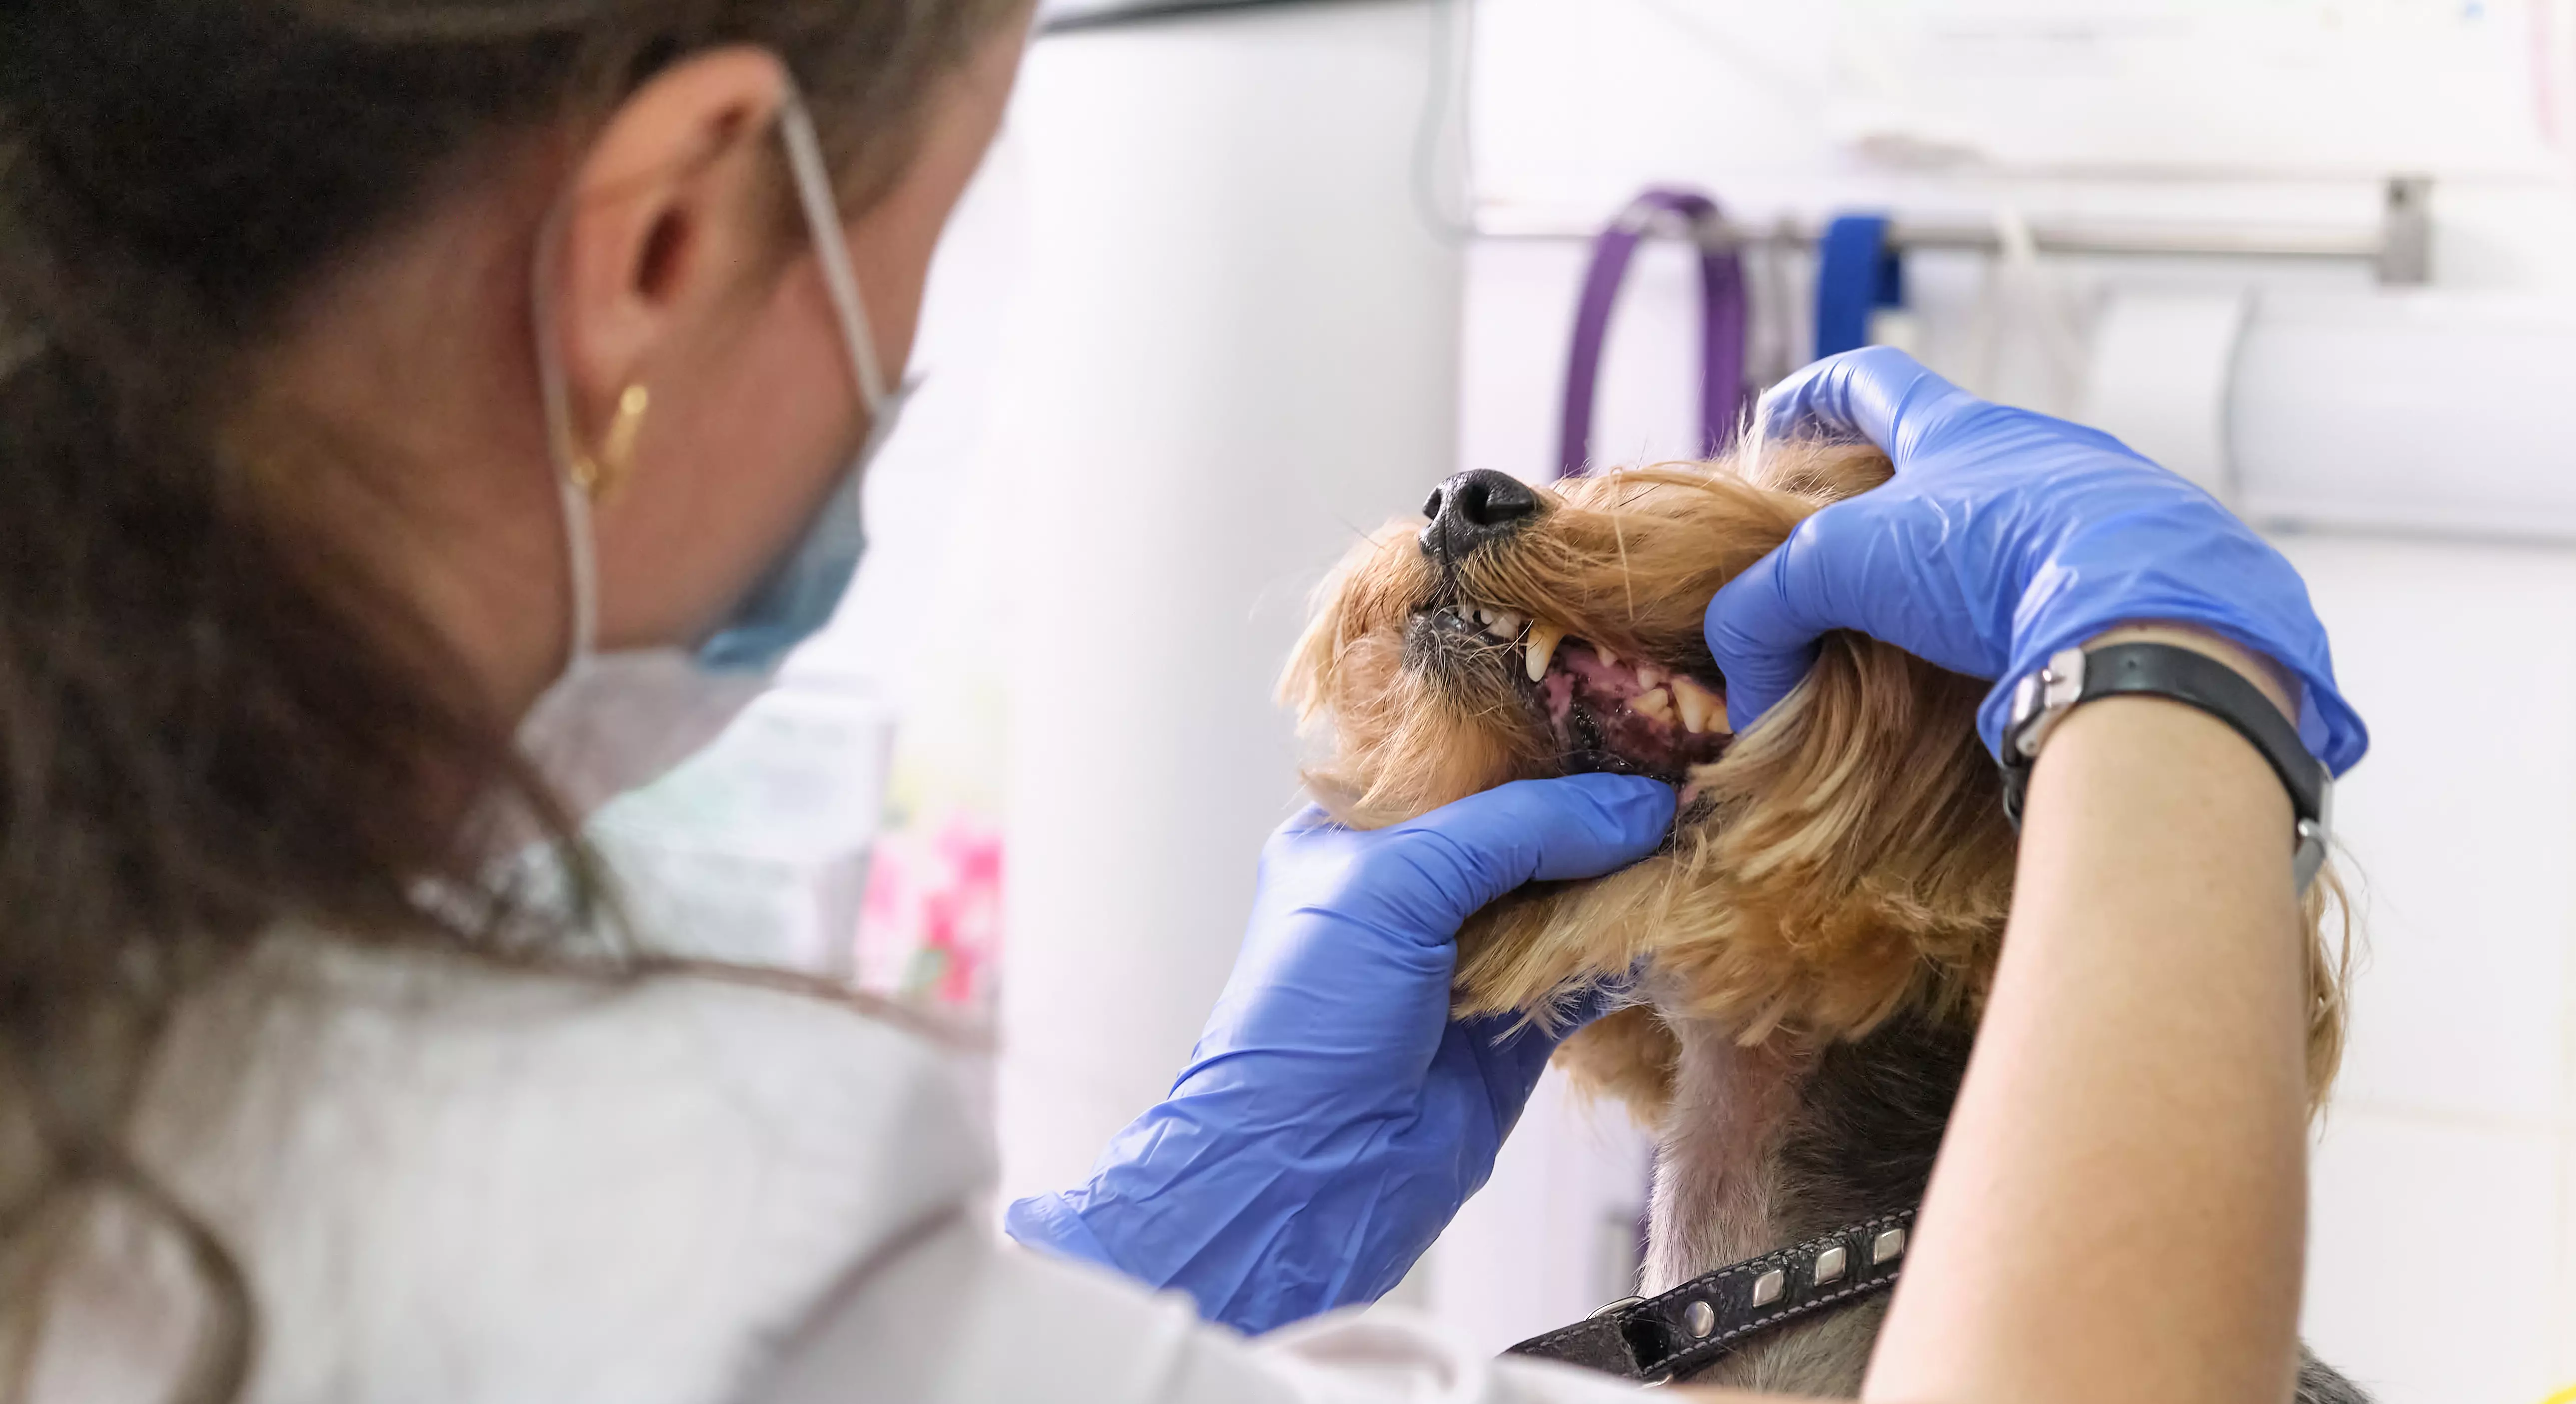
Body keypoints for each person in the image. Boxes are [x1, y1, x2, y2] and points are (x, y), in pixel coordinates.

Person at [0, 2, 2365, 1402]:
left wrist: (1129, 1275)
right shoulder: (638, 1231)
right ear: (661, 237)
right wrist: (2177, 697)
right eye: (922, 253)